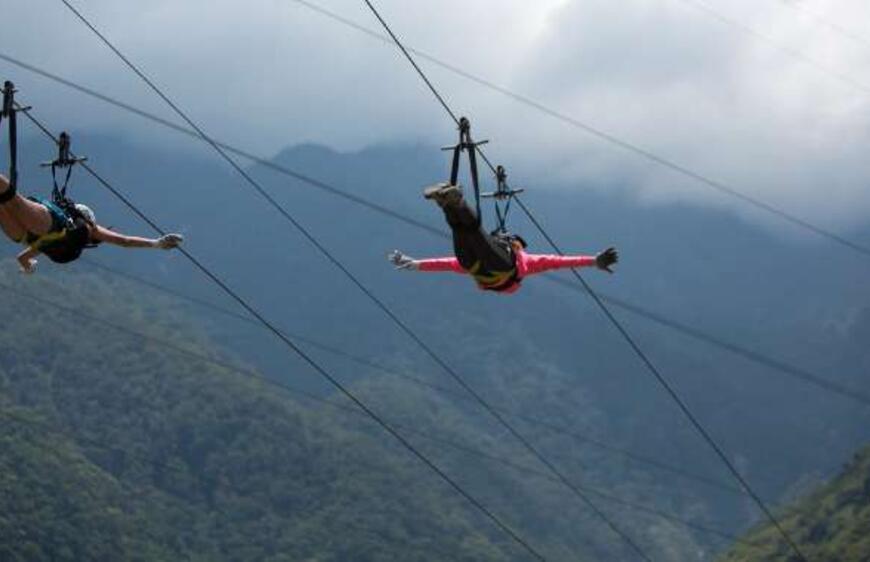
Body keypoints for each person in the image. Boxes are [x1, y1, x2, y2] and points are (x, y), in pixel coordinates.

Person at [388, 182, 618, 294]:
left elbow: (560, 262)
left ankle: (451, 203)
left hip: (492, 267)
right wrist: (593, 261)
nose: (511, 241)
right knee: (466, 232)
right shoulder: (523, 264)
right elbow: (561, 262)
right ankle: (449, 203)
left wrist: (415, 264)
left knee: (468, 233)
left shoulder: (523, 260)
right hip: (483, 268)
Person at [0, 173, 183, 273]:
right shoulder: (57, 244)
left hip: (47, 224)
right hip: (25, 236)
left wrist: (156, 243)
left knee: (13, 199)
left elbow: (124, 240)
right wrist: (28, 268)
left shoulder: (88, 226)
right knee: (7, 202)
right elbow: (21, 259)